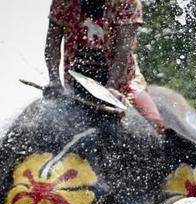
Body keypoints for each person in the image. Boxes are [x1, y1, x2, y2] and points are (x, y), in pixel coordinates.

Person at [45, 0, 167, 132]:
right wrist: (54, 80)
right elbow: (52, 44)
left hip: (122, 83)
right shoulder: (63, 2)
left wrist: (111, 87)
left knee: (156, 124)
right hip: (77, 82)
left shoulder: (127, 3)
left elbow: (124, 49)